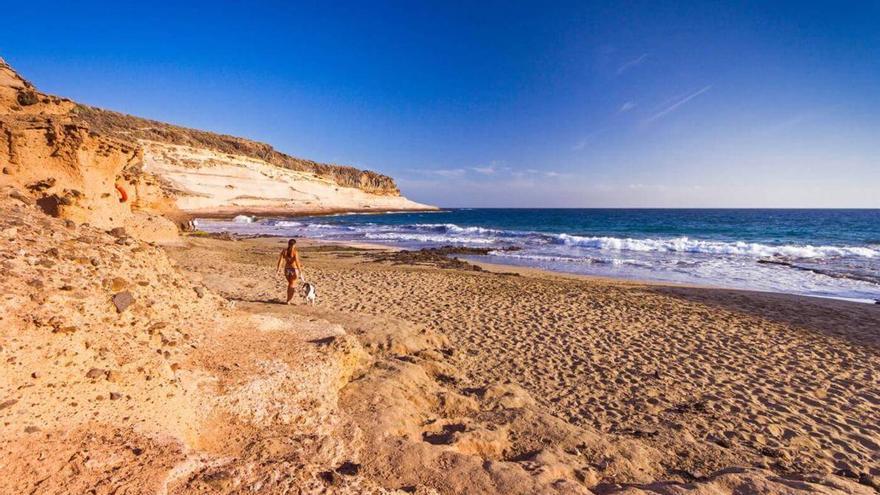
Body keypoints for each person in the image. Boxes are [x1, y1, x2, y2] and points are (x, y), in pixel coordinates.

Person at [276, 238, 304, 304]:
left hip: (286, 270)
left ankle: (288, 300)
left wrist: (278, 270)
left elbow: (280, 261)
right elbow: (297, 262)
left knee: (290, 284)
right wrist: (300, 272)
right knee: (292, 285)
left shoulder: (284, 251)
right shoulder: (295, 252)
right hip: (294, 270)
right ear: (294, 245)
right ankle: (288, 300)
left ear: (288, 244)